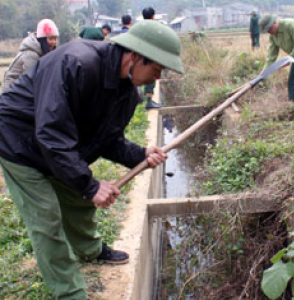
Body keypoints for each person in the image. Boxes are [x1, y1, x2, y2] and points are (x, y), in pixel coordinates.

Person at [0, 20, 184, 300]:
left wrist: (140, 154)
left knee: (75, 199)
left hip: (52, 143)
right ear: (135, 56)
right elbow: (50, 131)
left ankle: (90, 250)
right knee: (47, 218)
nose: (156, 79)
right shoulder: (76, 63)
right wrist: (90, 186)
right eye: (156, 69)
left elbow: (107, 140)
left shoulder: (127, 95)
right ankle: (70, 292)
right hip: (17, 140)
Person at [2, 19, 59, 92]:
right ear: (43, 39)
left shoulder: (42, 52)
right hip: (12, 90)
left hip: (23, 88)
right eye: (50, 39)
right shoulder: (31, 54)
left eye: (55, 39)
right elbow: (33, 78)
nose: (53, 42)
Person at [142, 6, 163, 109]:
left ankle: (149, 101)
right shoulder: (155, 26)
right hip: (152, 55)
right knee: (151, 78)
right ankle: (149, 102)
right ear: (153, 16)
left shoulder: (141, 26)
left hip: (143, 54)